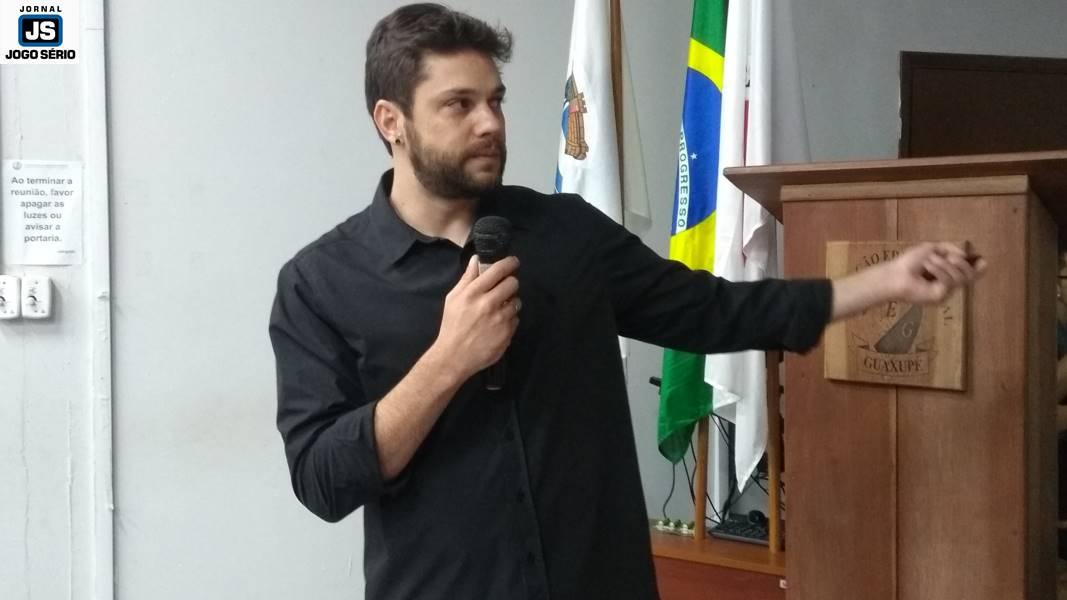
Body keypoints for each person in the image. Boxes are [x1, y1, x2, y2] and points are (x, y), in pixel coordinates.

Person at [267, 4, 985, 599]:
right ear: (390, 120)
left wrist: (879, 284)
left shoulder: (567, 234)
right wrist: (447, 361)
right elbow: (324, 480)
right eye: (458, 104)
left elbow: (712, 311)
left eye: (495, 100)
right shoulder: (319, 285)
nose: (489, 122)